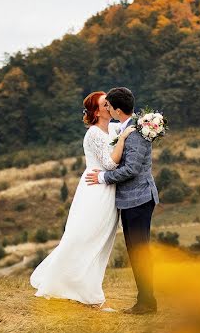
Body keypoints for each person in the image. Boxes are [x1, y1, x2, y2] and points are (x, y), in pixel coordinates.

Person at [30, 91, 135, 310]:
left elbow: (128, 123)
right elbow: (109, 164)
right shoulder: (94, 134)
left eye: (110, 102)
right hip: (95, 190)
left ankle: (86, 290)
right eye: (105, 104)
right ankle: (63, 284)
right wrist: (123, 140)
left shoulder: (114, 128)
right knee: (82, 236)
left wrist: (150, 124)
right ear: (97, 111)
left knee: (101, 242)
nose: (110, 105)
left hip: (109, 191)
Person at [85, 86, 159, 315]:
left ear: (117, 110)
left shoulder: (135, 132)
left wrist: (103, 177)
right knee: (138, 251)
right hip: (132, 200)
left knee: (139, 251)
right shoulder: (128, 126)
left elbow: (131, 169)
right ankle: (146, 300)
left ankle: (146, 303)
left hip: (138, 199)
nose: (107, 108)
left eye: (109, 106)